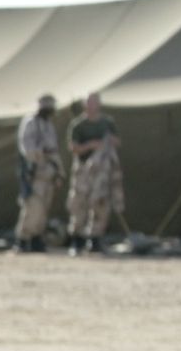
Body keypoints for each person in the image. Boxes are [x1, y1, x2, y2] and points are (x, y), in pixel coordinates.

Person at [67, 92, 123, 252]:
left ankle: (95, 238)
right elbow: (73, 148)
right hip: (83, 169)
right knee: (79, 203)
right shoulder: (78, 125)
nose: (92, 106)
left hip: (102, 171)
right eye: (89, 102)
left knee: (100, 203)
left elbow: (117, 142)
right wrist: (90, 145)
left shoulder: (107, 123)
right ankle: (76, 239)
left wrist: (108, 142)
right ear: (85, 105)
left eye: (94, 102)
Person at [14, 93, 63, 253]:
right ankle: (23, 239)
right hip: (35, 174)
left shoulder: (48, 125)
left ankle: (36, 239)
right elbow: (28, 149)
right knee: (33, 208)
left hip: (48, 174)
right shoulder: (31, 123)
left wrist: (59, 173)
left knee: (44, 209)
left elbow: (54, 151)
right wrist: (40, 155)